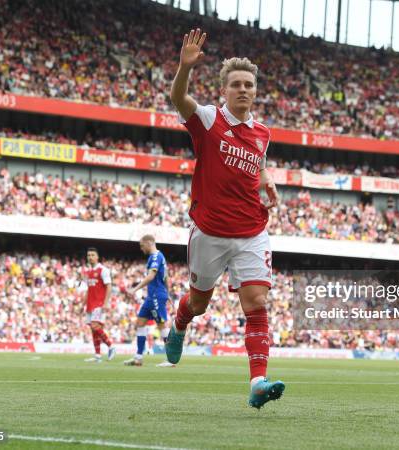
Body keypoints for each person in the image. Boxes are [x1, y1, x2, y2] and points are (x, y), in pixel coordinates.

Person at [167, 28, 284, 408]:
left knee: (256, 303)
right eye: (236, 84)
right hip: (210, 232)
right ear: (224, 90)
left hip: (252, 230)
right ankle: (179, 324)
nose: (244, 90)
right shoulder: (207, 119)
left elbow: (259, 165)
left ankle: (257, 383)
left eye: (249, 84)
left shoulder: (262, 133)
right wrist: (184, 68)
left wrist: (267, 182)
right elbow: (178, 99)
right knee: (199, 303)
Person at [124, 235, 173, 367]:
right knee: (140, 323)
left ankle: (171, 359)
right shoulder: (154, 257)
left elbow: (151, 276)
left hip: (156, 295)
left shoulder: (156, 256)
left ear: (149, 242)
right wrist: (168, 293)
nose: (141, 248)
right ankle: (138, 358)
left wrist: (134, 289)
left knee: (162, 325)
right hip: (152, 296)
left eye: (142, 245)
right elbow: (166, 277)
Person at [82, 247, 116, 363]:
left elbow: (109, 286)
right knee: (94, 330)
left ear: (97, 257)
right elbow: (88, 289)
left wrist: (106, 303)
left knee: (95, 326)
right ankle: (97, 355)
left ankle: (111, 346)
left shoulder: (103, 270)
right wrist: (83, 304)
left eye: (92, 255)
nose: (90, 257)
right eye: (88, 255)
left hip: (99, 303)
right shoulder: (88, 272)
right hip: (90, 304)